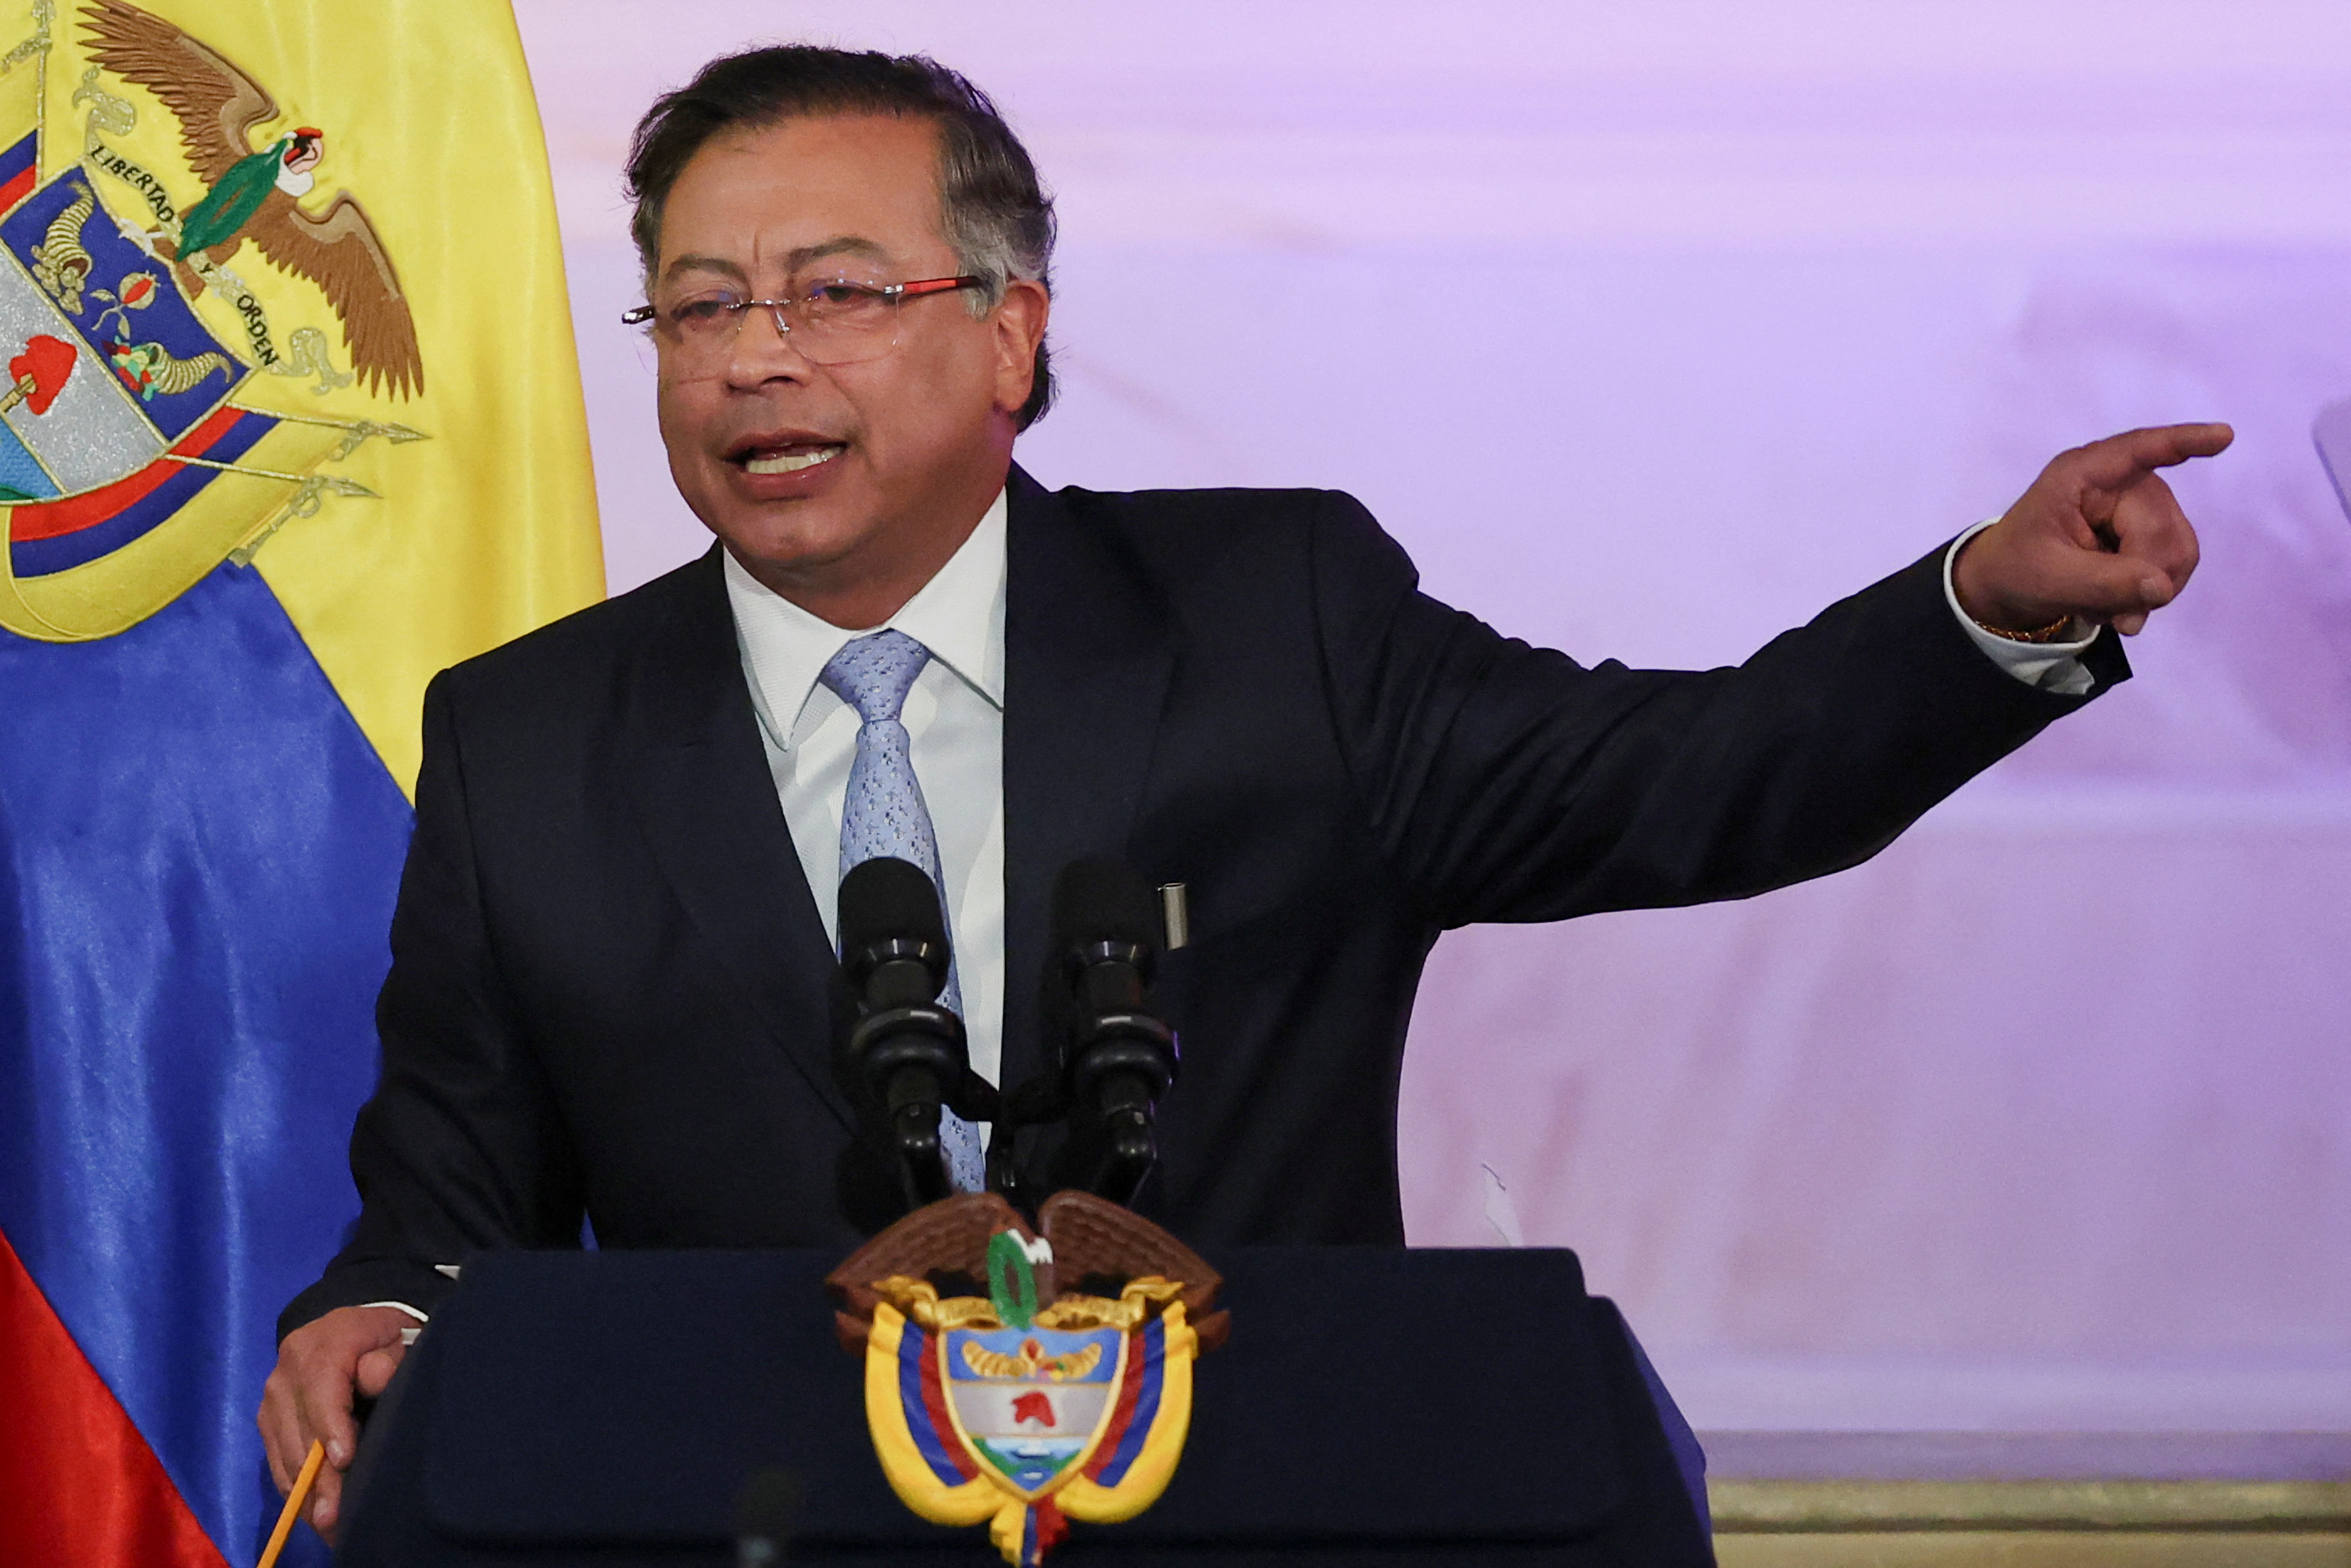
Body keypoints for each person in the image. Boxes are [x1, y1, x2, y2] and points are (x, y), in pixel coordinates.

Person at [256, 45, 2226, 1535]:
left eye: (835, 292)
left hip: (1270, 1505)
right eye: (700, 306)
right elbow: (446, 1195)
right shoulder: (527, 731)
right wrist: (383, 1317)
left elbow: (1687, 782)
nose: (755, 361)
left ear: (1009, 330)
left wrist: (1979, 611)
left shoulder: (1268, 613)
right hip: (751, 1517)